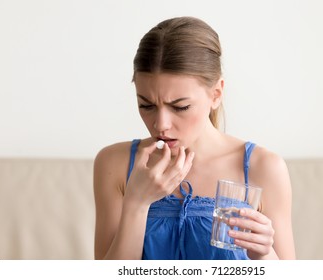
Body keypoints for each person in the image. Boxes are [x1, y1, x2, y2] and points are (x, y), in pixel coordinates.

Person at [93, 16, 296, 260]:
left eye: (180, 107)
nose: (160, 124)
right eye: (146, 105)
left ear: (216, 94)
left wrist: (263, 255)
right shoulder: (115, 164)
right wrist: (136, 203)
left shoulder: (262, 167)